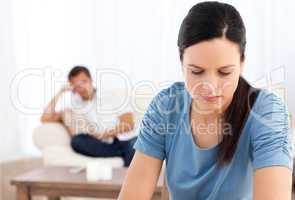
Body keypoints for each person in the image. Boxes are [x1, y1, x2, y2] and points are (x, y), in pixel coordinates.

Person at [118, 1, 294, 199]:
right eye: (197, 71)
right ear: (181, 62)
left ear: (242, 63)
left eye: (224, 72)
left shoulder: (267, 112)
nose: (209, 86)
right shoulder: (166, 107)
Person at [41, 66, 137, 167]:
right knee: (77, 141)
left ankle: (124, 154)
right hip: (97, 144)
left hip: (121, 140)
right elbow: (45, 118)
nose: (82, 87)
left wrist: (104, 135)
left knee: (135, 144)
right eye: (77, 85)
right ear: (72, 88)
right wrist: (61, 92)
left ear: (91, 80)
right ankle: (122, 153)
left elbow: (129, 124)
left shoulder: (111, 95)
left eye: (84, 81)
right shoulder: (74, 107)